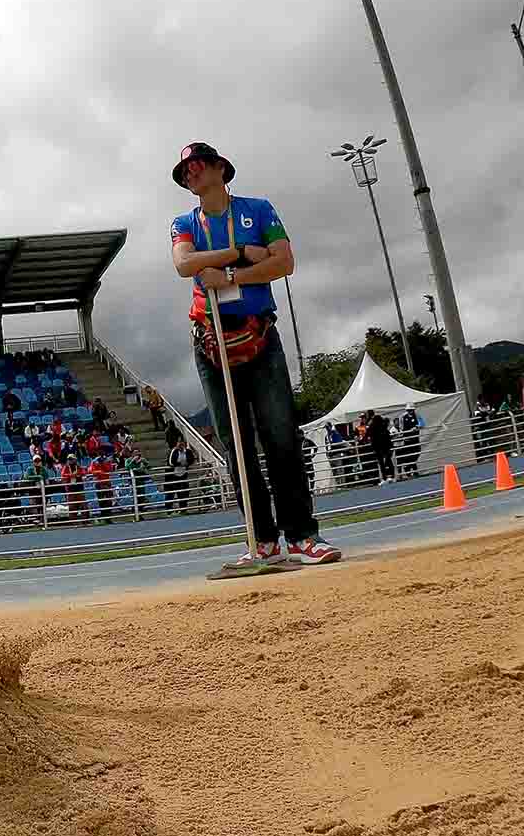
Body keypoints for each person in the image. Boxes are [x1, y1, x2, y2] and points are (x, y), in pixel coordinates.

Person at [169, 141, 341, 567]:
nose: (190, 172)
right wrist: (241, 252)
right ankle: (260, 539)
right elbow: (183, 264)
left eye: (197, 164)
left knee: (280, 435)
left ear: (218, 168)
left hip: (259, 335)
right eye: (185, 169)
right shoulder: (183, 222)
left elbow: (283, 261)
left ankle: (302, 535)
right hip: (210, 342)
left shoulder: (259, 209)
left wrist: (227, 274)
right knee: (236, 445)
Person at [166, 438, 196, 514]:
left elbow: (192, 460)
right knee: (171, 493)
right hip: (172, 475)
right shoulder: (173, 451)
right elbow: (171, 463)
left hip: (183, 474)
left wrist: (187, 463)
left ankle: (183, 509)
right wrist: (181, 464)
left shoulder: (188, 451)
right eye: (179, 443)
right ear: (176, 444)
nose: (180, 445)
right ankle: (169, 510)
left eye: (182, 444)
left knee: (184, 492)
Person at [364, 409, 394, 485]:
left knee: (382, 462)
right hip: (385, 443)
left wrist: (361, 441)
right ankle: (391, 476)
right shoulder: (380, 419)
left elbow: (368, 433)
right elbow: (387, 421)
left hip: (378, 445)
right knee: (387, 460)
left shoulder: (372, 422)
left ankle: (385, 478)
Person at [397, 406, 422, 478]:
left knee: (415, 454)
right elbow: (401, 427)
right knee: (409, 456)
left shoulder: (417, 415)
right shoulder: (402, 416)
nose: (410, 411)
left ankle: (411, 469)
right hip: (407, 440)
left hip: (415, 439)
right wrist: (404, 433)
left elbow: (422, 423)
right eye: (409, 410)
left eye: (411, 410)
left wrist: (417, 427)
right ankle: (409, 471)